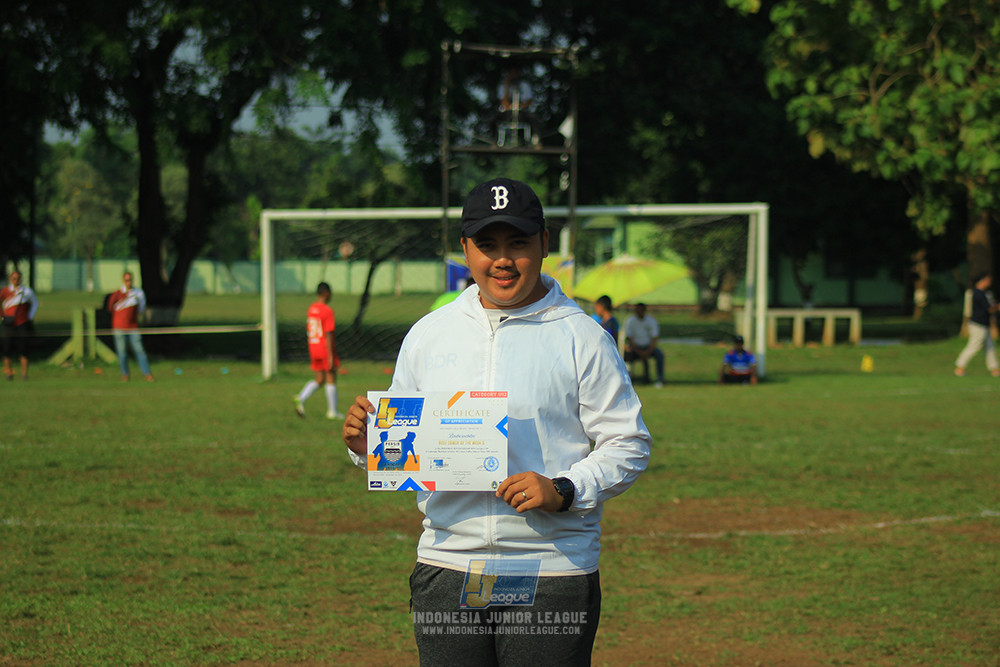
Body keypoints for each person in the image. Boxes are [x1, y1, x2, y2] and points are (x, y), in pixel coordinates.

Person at [342, 177, 651, 666]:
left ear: (545, 244)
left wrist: (565, 487)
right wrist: (367, 444)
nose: (502, 260)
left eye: (518, 243)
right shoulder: (429, 334)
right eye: (487, 245)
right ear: (465, 249)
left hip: (551, 569)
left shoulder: (582, 337)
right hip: (448, 564)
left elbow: (628, 443)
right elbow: (399, 454)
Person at [295, 282, 343, 419]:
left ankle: (301, 397)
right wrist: (330, 355)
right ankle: (332, 411)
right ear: (327, 293)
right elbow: (328, 333)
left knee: (319, 379)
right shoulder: (327, 311)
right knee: (331, 377)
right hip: (324, 347)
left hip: (313, 346)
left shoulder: (311, 309)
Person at [107, 271, 154, 382]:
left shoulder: (138, 293)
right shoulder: (117, 294)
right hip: (119, 327)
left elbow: (141, 308)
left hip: (133, 327)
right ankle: (125, 374)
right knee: (122, 352)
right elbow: (110, 308)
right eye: (126, 280)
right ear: (123, 280)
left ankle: (147, 373)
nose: (129, 282)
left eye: (130, 280)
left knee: (139, 350)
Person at [954, 272, 999, 377]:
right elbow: (988, 309)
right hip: (977, 323)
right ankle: (960, 367)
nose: (989, 282)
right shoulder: (975, 293)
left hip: (984, 323)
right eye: (987, 280)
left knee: (989, 346)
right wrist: (997, 308)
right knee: (974, 345)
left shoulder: (986, 293)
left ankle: (994, 369)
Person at [1, 270, 38, 381]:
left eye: (18, 278)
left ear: (21, 279)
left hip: (22, 323)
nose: (16, 280)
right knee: (6, 348)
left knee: (23, 348)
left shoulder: (26, 291)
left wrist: (30, 317)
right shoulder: (5, 291)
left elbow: (35, 303)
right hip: (8, 324)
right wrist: (2, 317)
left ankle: (24, 374)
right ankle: (9, 372)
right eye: (14, 278)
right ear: (10, 279)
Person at [623, 302, 665, 387]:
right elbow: (629, 338)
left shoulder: (651, 321)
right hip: (635, 347)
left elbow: (654, 338)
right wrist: (638, 351)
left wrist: (647, 351)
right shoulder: (630, 321)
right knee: (626, 355)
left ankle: (660, 379)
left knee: (659, 354)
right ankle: (627, 378)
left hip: (648, 347)